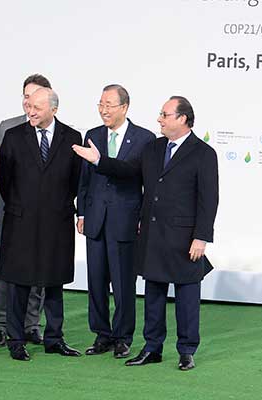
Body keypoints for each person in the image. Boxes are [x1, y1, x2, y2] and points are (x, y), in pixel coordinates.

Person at [72, 96, 218, 370]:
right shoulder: (153, 148)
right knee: (153, 295)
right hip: (152, 234)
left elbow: (209, 199)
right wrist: (99, 160)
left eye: (165, 114)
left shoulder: (203, 153)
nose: (159, 119)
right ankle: (152, 348)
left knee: (187, 297)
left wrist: (201, 236)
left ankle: (186, 351)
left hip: (186, 238)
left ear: (183, 119)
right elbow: (129, 171)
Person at [0, 88, 82, 361]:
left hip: (57, 222)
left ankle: (54, 338)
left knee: (54, 282)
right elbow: (4, 180)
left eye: (37, 107)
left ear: (54, 110)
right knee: (19, 284)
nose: (31, 111)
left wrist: (59, 206)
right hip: (20, 221)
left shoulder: (72, 138)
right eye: (29, 106)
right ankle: (16, 340)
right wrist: (21, 206)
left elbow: (75, 181)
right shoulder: (13, 137)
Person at [77, 84, 154, 358]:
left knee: (123, 284)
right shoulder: (93, 135)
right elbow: (84, 180)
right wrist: (82, 213)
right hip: (95, 218)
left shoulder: (145, 138)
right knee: (96, 281)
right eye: (100, 104)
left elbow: (142, 179)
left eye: (109, 104)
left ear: (124, 107)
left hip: (125, 220)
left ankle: (123, 336)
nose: (103, 110)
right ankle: (101, 335)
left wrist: (143, 219)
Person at [0, 74, 51, 348]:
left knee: (39, 270)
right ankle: (0, 325)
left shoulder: (55, 131)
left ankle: (31, 324)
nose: (30, 102)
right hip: (11, 212)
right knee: (7, 269)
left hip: (43, 216)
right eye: (26, 96)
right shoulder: (7, 127)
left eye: (35, 96)